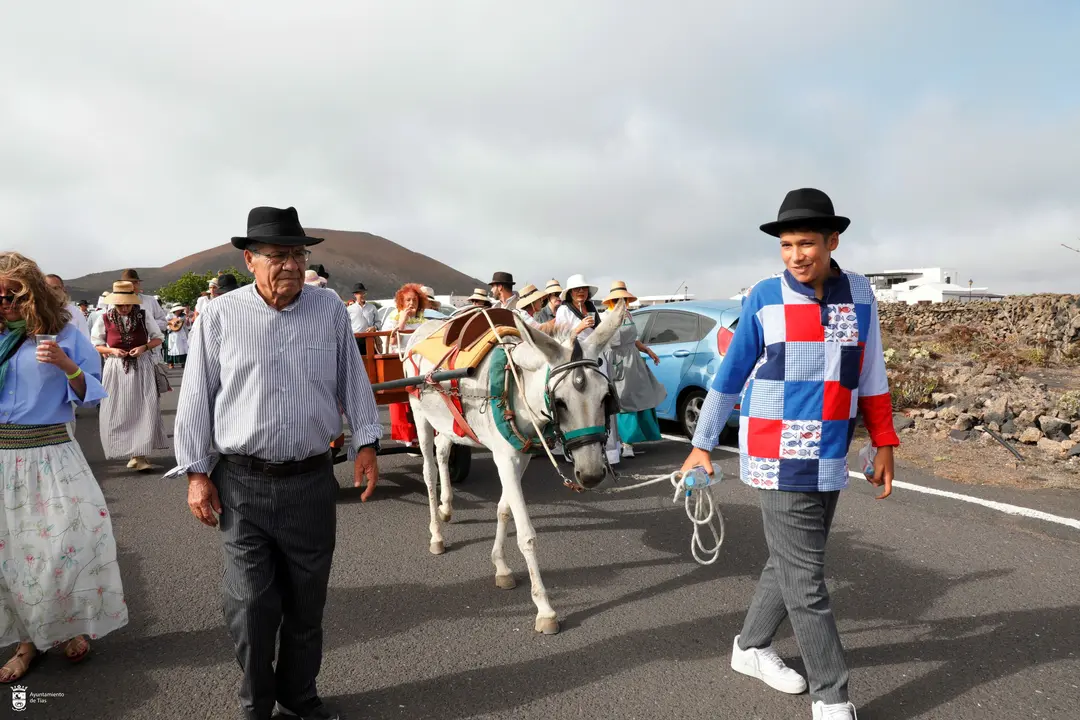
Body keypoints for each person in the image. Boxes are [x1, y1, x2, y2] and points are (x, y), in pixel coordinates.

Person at [680, 188, 898, 720]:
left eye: (806, 243)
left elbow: (870, 374)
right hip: (774, 452)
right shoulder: (764, 297)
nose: (796, 254)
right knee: (807, 581)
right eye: (786, 245)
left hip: (829, 450)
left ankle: (750, 647)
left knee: (794, 562)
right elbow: (729, 378)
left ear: (832, 240)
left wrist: (884, 440)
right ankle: (833, 698)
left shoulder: (860, 295)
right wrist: (701, 445)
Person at [168, 206, 381, 720]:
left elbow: (352, 377)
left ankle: (299, 695)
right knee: (249, 606)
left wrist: (367, 442)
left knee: (307, 605)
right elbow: (197, 395)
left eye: (298, 253)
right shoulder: (219, 315)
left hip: (310, 480)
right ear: (250, 259)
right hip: (242, 482)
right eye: (278, 255)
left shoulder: (328, 308)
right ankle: (256, 704)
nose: (290, 264)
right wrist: (197, 473)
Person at [0, 252, 126, 683]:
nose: (5, 303)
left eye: (13, 294)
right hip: (2, 459)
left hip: (52, 454)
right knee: (13, 555)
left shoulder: (65, 335)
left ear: (32, 292)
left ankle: (69, 624)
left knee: (65, 545)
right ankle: (27, 642)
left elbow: (92, 394)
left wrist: (66, 365)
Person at [92, 281, 168, 472]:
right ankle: (130, 452)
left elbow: (158, 337)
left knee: (143, 407)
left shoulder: (143, 315)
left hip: (141, 365)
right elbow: (96, 344)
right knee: (119, 409)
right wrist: (111, 350)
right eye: (120, 305)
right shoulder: (104, 318)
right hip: (116, 368)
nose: (124, 308)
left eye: (128, 304)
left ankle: (139, 455)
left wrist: (144, 347)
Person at [554, 274, 621, 464]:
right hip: (576, 363)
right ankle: (576, 450)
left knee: (602, 403)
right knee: (578, 407)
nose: (581, 292)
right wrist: (579, 328)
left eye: (583, 289)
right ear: (570, 293)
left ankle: (609, 452)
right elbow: (561, 339)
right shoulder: (563, 311)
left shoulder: (592, 308)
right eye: (577, 289)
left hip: (596, 360)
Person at [601, 282, 663, 459]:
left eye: (624, 298)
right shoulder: (606, 316)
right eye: (618, 299)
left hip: (633, 359)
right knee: (623, 400)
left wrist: (648, 350)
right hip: (617, 362)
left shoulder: (628, 314)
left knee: (639, 397)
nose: (622, 301)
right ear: (612, 300)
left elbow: (634, 339)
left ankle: (630, 440)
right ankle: (623, 442)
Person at [381, 283, 428, 446]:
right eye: (408, 300)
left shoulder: (423, 320)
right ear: (401, 302)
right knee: (400, 403)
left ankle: (428, 434)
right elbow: (391, 341)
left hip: (420, 362)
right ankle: (407, 438)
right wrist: (402, 321)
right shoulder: (392, 318)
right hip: (398, 361)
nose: (411, 304)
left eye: (414, 300)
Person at [117, 269, 169, 363]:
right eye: (127, 284)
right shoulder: (114, 304)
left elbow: (164, 323)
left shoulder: (150, 300)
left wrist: (147, 323)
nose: (131, 287)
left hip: (150, 351)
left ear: (138, 284)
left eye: (133, 283)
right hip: (123, 354)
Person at [44, 274, 91, 340]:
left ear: (63, 289)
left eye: (55, 288)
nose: (52, 292)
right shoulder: (38, 312)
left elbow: (85, 340)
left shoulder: (75, 313)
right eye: (47, 289)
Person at [347, 282, 378, 355]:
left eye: (363, 293)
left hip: (369, 339)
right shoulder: (349, 309)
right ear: (355, 295)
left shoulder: (372, 307)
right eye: (360, 293)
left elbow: (378, 322)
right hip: (355, 340)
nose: (362, 295)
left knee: (372, 360)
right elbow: (346, 325)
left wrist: (374, 327)